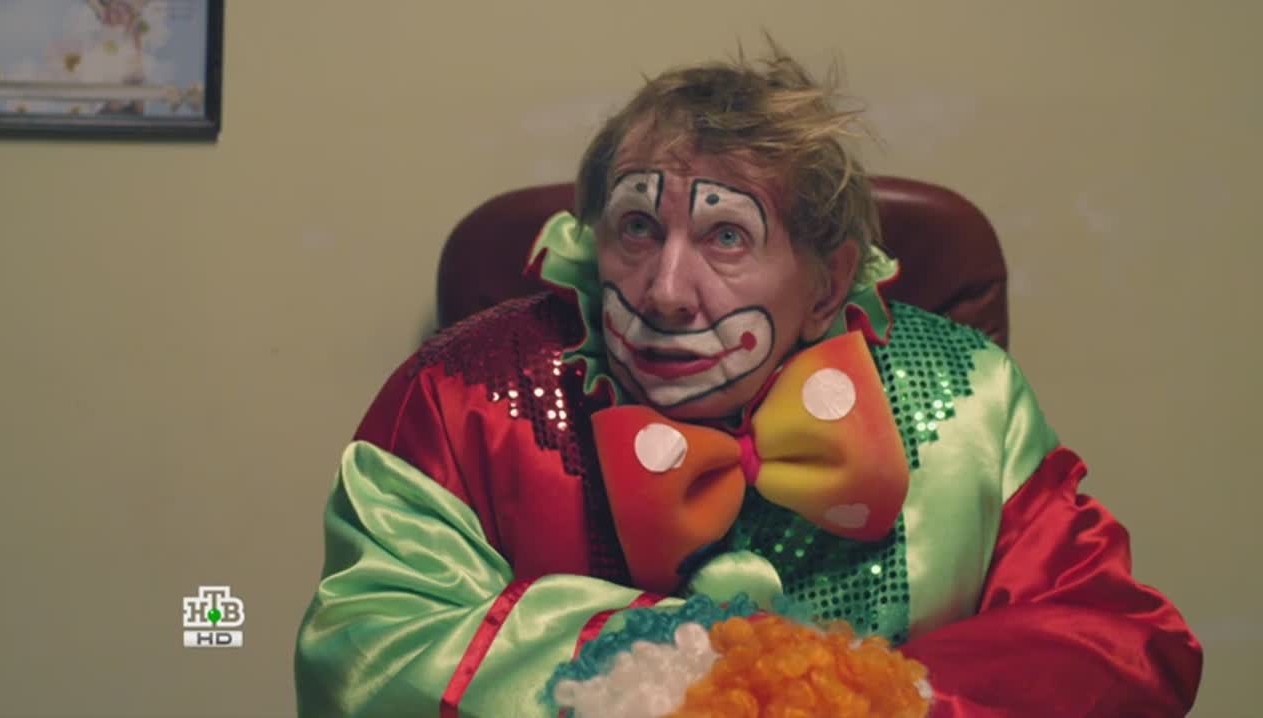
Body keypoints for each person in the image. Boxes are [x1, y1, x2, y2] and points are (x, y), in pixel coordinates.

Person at [295, 46, 1202, 717]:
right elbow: (367, 652)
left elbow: (1116, 639)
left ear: (828, 282)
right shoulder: (459, 397)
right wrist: (681, 677)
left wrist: (873, 698)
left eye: (726, 237)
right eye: (638, 228)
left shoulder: (968, 398)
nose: (665, 290)